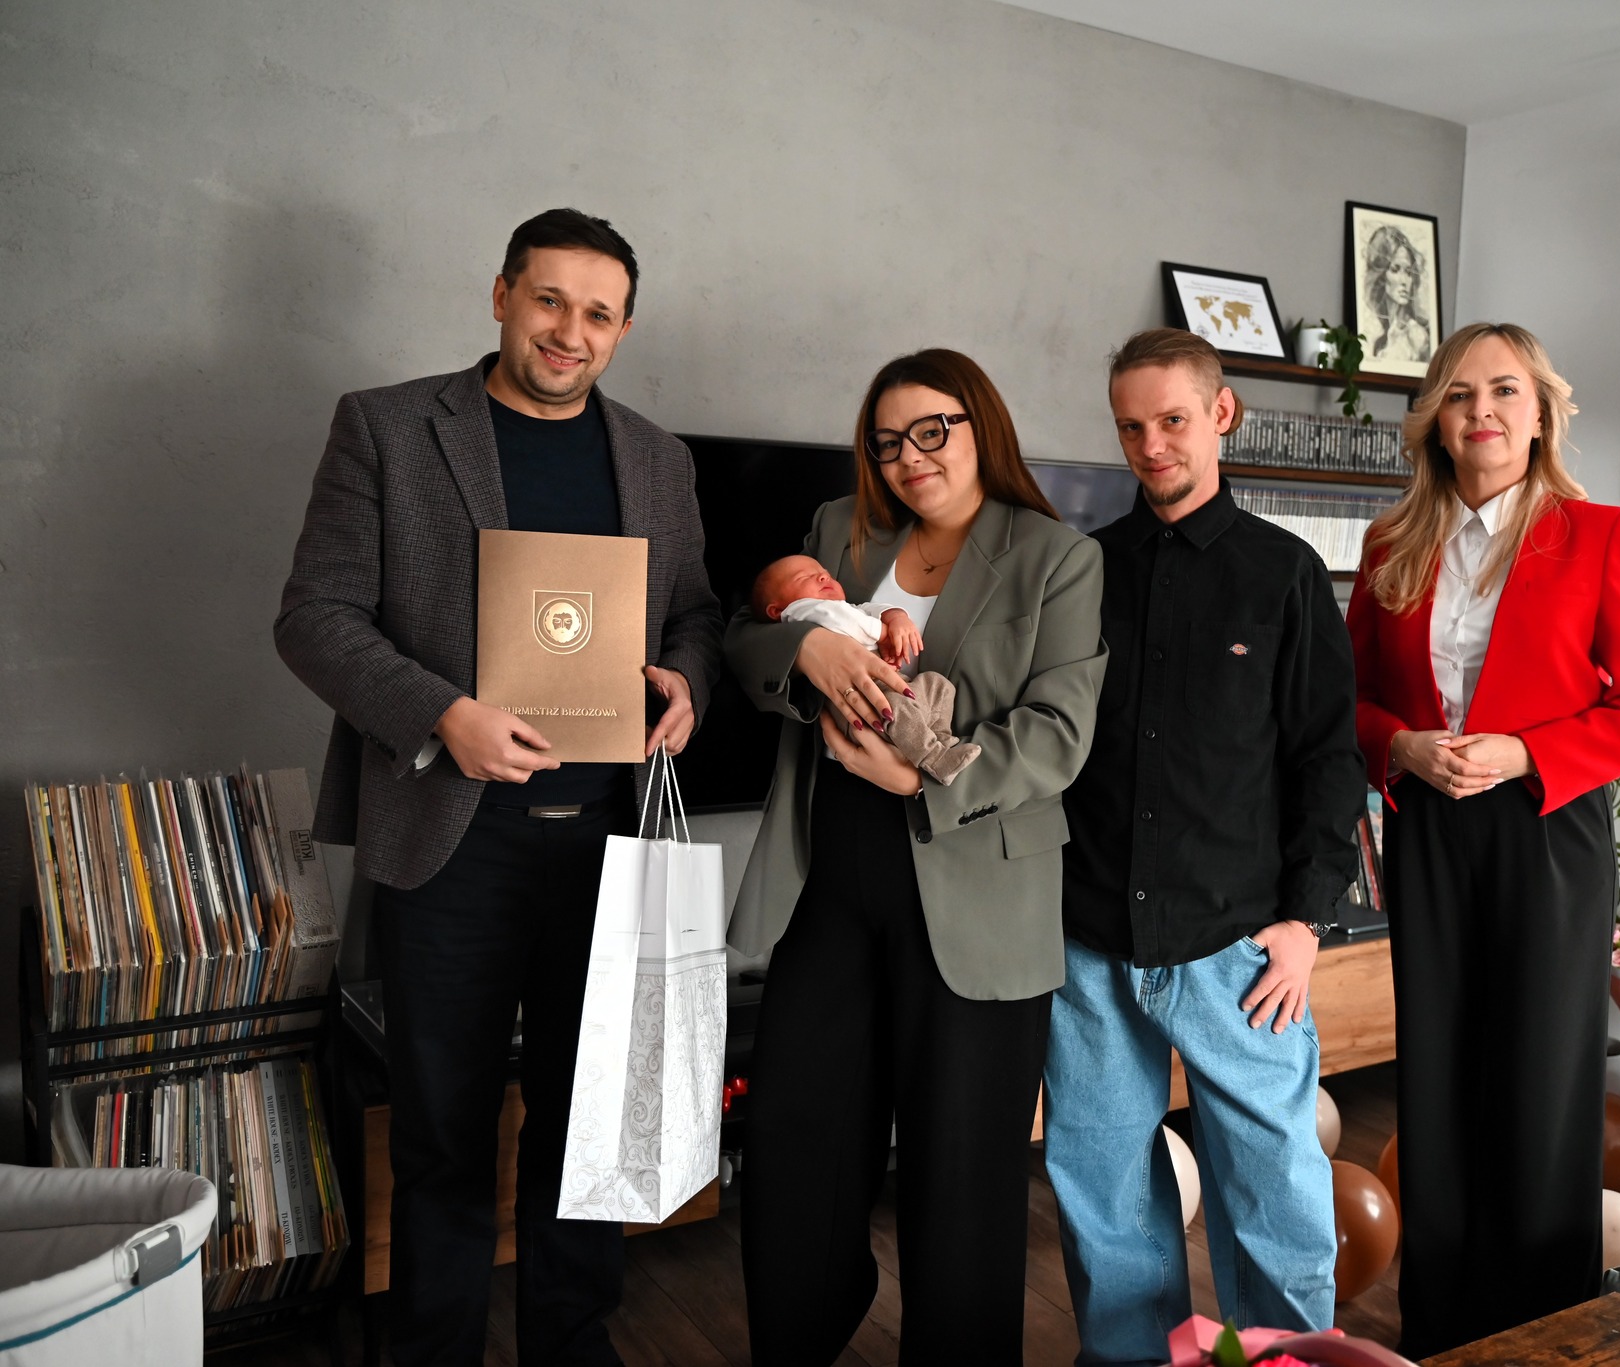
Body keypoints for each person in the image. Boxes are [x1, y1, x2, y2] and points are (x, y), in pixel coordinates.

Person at [274, 208, 722, 1366]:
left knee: (593, 1129)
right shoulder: (386, 426)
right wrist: (443, 714)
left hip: (609, 847)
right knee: (442, 1132)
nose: (570, 330)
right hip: (450, 839)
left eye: (598, 313)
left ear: (623, 329)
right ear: (501, 296)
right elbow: (314, 616)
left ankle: (570, 1344)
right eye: (549, 300)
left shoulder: (658, 457)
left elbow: (694, 612)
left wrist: (687, 679)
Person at [724, 349, 1106, 1366]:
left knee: (960, 1178)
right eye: (888, 440)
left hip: (976, 874)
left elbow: (1059, 733)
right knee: (795, 1145)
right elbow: (745, 640)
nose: (909, 456)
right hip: (830, 874)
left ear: (981, 424)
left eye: (932, 429)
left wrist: (921, 779)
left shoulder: (1057, 555)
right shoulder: (836, 531)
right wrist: (804, 651)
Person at [1345, 322, 1620, 1356]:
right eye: (1457, 393)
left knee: (1538, 1083)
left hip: (1546, 831)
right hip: (1427, 829)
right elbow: (1344, 700)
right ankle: (1440, 1326)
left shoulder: (1600, 535)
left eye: (1502, 390)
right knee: (1438, 1077)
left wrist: (1527, 752)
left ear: (1539, 414)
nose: (1480, 411)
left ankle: (1545, 1334)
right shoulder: (1390, 543)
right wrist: (1400, 745)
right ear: (1435, 421)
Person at [1045, 328, 1368, 1366]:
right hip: (1090, 943)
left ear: (1221, 413)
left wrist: (1306, 922)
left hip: (1239, 950)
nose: (1151, 445)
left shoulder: (1285, 574)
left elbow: (1326, 759)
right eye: (1130, 427)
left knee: (1275, 1199)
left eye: (1172, 420)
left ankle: (1282, 1365)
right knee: (1104, 1203)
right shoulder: (1082, 570)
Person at [749, 553, 982, 783]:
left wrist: (896, 616)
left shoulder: (846, 608)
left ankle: (941, 742)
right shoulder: (798, 612)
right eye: (804, 577)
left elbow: (867, 608)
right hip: (862, 702)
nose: (822, 577)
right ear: (776, 610)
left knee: (938, 685)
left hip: (890, 690)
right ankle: (935, 759)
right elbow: (841, 618)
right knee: (897, 706)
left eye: (825, 574)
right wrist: (883, 632)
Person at [1362, 224, 1432, 363]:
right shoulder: (1376, 334)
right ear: (1381, 276)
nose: (1404, 281)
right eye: (1395, 269)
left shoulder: (1417, 335)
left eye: (1408, 272)